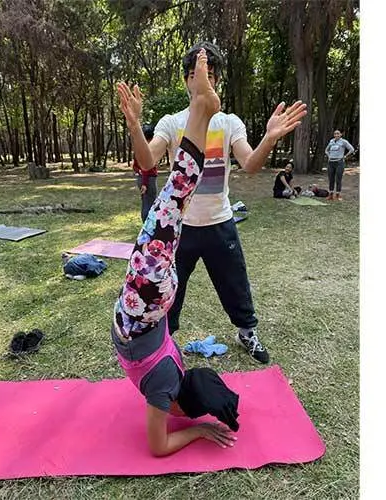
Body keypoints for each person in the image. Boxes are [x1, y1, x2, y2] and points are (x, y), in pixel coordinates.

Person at [117, 42, 308, 364]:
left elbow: (250, 164)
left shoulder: (229, 123)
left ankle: (247, 332)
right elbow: (147, 160)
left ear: (216, 81)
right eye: (196, 74)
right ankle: (163, 341)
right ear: (186, 80)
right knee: (168, 290)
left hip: (220, 221)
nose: (203, 80)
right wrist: (135, 126)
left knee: (235, 283)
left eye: (209, 75)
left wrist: (269, 137)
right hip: (181, 229)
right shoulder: (171, 122)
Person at [112, 49, 240, 457]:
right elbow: (160, 443)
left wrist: (199, 427)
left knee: (175, 196)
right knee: (174, 198)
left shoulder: (169, 379)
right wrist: (198, 428)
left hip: (147, 300)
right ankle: (203, 109)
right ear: (180, 407)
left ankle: (202, 109)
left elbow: (158, 445)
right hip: (139, 305)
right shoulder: (166, 386)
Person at [133, 124, 158, 221]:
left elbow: (135, 166)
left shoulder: (139, 148)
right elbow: (146, 168)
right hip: (148, 179)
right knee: (150, 204)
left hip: (141, 178)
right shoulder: (148, 148)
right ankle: (148, 225)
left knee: (146, 202)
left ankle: (147, 224)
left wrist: (138, 172)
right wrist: (144, 183)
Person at [324, 130, 356, 201]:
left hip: (339, 162)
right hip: (331, 163)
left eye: (338, 134)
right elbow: (326, 150)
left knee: (338, 179)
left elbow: (352, 149)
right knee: (331, 179)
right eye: (335, 134)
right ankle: (330, 195)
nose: (336, 135)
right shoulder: (331, 141)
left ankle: (338, 195)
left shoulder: (344, 142)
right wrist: (329, 156)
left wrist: (345, 156)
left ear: (341, 134)